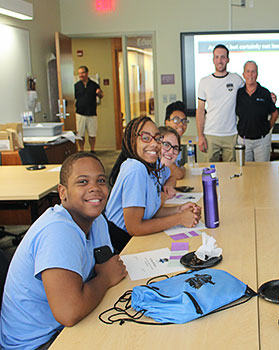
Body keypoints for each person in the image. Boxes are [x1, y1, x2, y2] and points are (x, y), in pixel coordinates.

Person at [0, 153, 127, 349]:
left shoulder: (97, 220)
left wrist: (107, 275)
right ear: (63, 192)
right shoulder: (58, 231)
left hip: (65, 327)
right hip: (38, 343)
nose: (95, 188)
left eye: (101, 180)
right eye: (82, 182)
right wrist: (106, 278)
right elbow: (69, 312)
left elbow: (105, 264)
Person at [105, 116, 201, 252]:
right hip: (121, 245)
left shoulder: (149, 168)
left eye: (157, 139)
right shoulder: (135, 169)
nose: (154, 144)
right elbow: (135, 227)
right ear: (131, 140)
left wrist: (179, 210)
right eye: (145, 138)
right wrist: (179, 218)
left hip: (132, 239)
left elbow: (147, 213)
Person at [196, 44, 244, 162]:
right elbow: (200, 110)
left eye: (223, 57)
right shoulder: (204, 82)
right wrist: (200, 135)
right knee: (210, 172)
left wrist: (270, 97)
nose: (220, 60)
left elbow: (251, 93)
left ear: (228, 59)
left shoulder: (236, 79)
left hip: (231, 134)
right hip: (210, 134)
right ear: (213, 60)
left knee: (231, 172)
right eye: (217, 57)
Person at [236, 61, 279, 161]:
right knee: (245, 173)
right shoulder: (239, 94)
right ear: (243, 74)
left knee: (263, 172)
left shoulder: (264, 92)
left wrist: (268, 127)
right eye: (248, 71)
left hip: (262, 141)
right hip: (243, 140)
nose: (250, 74)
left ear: (257, 74)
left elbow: (275, 114)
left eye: (253, 71)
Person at [74, 65, 103, 152]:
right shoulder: (76, 86)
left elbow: (101, 96)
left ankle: (92, 149)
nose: (81, 75)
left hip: (92, 113)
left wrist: (99, 93)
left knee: (92, 134)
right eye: (79, 73)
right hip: (80, 113)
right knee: (80, 134)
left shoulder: (94, 85)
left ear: (87, 73)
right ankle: (81, 150)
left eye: (82, 73)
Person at [164, 101, 189, 179]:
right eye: (176, 120)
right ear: (167, 122)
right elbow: (178, 174)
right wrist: (183, 169)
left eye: (184, 121)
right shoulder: (164, 143)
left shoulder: (176, 142)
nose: (181, 124)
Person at [158, 126, 182, 200]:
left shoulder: (162, 167)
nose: (171, 152)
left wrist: (168, 186)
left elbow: (172, 177)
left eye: (175, 148)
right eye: (166, 145)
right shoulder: (143, 170)